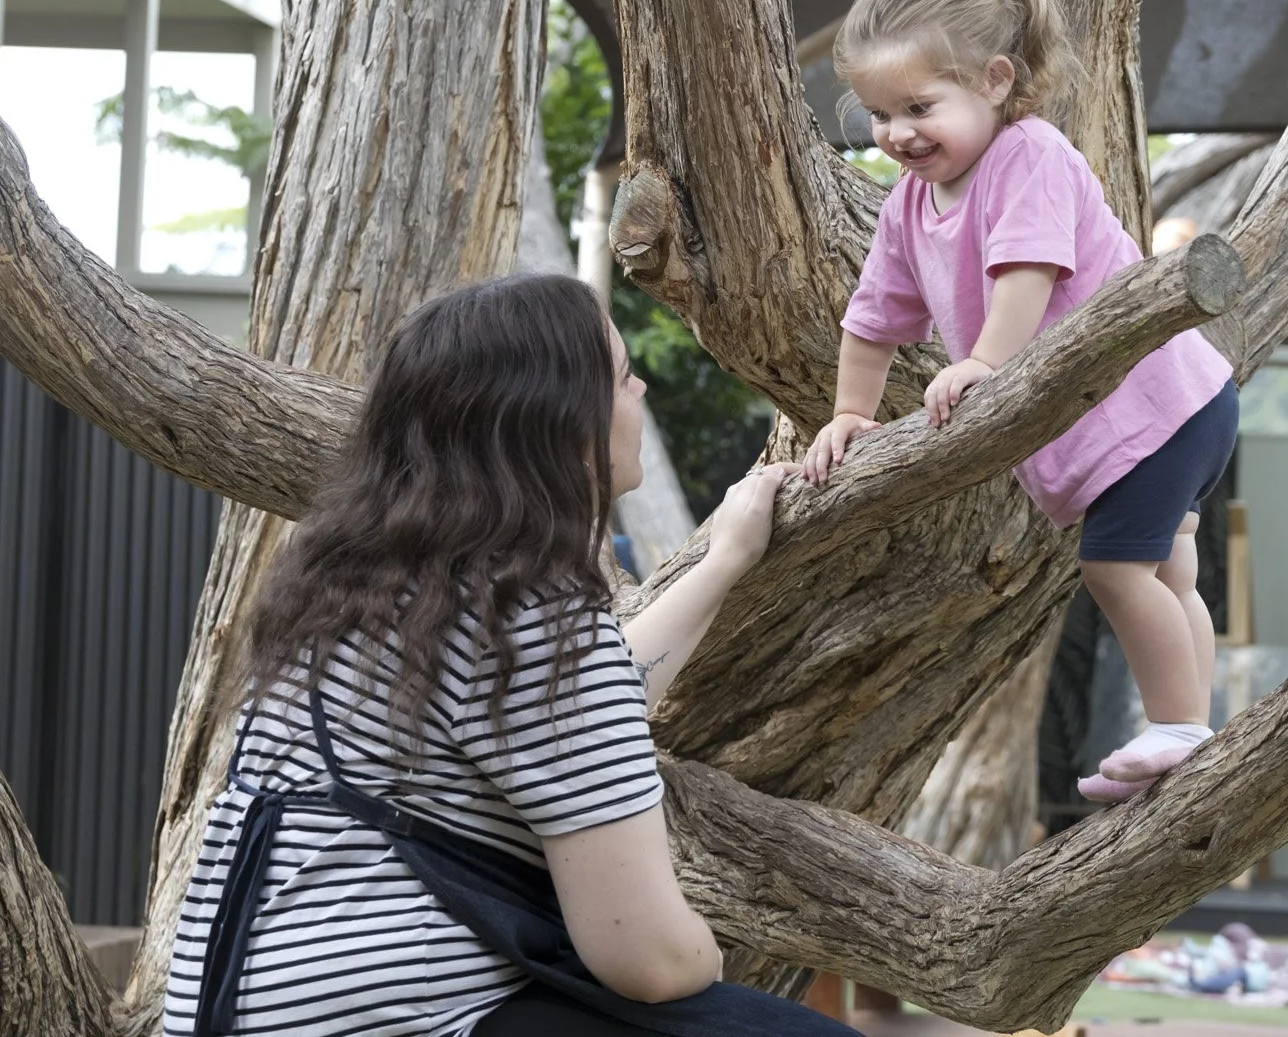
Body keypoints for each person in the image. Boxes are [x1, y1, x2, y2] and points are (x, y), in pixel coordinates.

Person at [163, 273, 854, 1036]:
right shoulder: (535, 618)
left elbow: (591, 700)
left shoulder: (369, 601)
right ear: (562, 421)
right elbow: (649, 961)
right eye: (623, 376)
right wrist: (706, 959)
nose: (643, 387)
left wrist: (724, 561)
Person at [801, 0, 1239, 803]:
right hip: (1151, 415)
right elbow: (873, 317)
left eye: (921, 108)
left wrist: (981, 365)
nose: (899, 134)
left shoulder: (1029, 155)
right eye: (883, 114)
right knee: (1170, 573)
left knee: (1117, 573)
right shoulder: (906, 204)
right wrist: (850, 412)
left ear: (997, 82)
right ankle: (1196, 736)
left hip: (1156, 406)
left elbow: (1029, 270)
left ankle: (1181, 728)